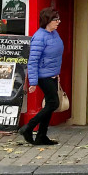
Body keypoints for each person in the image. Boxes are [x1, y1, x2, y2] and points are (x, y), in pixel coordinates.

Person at [16, 8, 64, 146]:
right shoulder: (39, 37)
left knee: (50, 104)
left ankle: (41, 136)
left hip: (53, 74)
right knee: (53, 103)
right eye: (56, 19)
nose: (58, 22)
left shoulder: (54, 34)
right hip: (44, 75)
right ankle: (28, 127)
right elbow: (33, 60)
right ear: (47, 20)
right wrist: (33, 82)